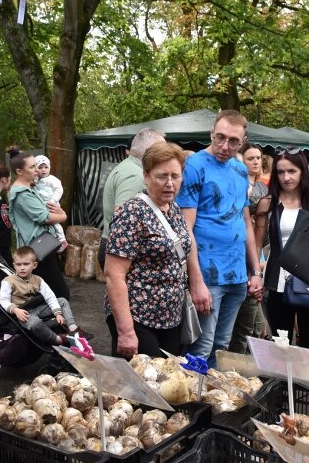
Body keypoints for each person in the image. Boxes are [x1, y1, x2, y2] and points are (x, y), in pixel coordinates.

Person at [176, 110, 262, 368]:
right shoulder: (194, 166)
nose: (225, 146)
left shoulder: (239, 169)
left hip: (237, 275)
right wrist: (196, 280)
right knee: (201, 346)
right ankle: (191, 403)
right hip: (207, 274)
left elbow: (245, 222)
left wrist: (255, 271)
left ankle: (212, 403)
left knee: (221, 345)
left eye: (233, 141)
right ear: (211, 133)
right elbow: (185, 228)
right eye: (220, 137)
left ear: (243, 140)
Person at [105, 142, 194, 357]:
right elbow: (113, 275)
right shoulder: (132, 212)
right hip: (138, 318)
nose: (170, 183)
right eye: (162, 176)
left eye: (176, 176)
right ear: (146, 176)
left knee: (168, 382)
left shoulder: (172, 209)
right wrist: (126, 332)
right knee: (142, 384)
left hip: (170, 318)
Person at [254, 148, 309, 349]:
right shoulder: (267, 203)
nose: (286, 177)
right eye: (281, 172)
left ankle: (304, 382)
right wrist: (255, 274)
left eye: (292, 171)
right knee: (280, 344)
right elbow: (257, 243)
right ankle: (282, 382)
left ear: (303, 171)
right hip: (276, 282)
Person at [7, 147, 70, 300]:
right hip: (38, 250)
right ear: (19, 171)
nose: (37, 170)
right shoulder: (22, 194)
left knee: (49, 295)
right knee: (59, 295)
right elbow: (45, 217)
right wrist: (62, 216)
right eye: (32, 166)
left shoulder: (29, 188)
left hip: (43, 247)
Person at [99, 129, 166, 270]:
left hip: (120, 251)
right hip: (124, 255)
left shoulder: (130, 167)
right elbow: (124, 220)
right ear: (149, 150)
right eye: (162, 150)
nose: (166, 155)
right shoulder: (135, 175)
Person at [228, 143, 270, 354]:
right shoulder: (240, 189)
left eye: (258, 158)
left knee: (254, 324)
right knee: (244, 325)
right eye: (250, 158)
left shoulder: (262, 187)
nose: (255, 162)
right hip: (240, 260)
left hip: (255, 255)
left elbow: (258, 230)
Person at [0, 246, 79, 346]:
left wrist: (57, 313)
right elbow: (3, 300)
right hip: (23, 313)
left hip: (38, 307)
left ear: (34, 265)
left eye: (26, 264)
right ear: (14, 265)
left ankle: (73, 329)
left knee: (62, 301)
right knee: (34, 323)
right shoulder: (8, 281)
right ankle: (57, 340)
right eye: (18, 264)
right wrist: (15, 310)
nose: (22, 267)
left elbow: (50, 296)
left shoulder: (38, 280)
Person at [34, 155, 68, 251]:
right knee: (47, 224)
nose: (43, 170)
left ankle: (62, 240)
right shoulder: (36, 180)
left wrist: (53, 200)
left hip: (51, 204)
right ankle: (51, 243)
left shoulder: (53, 180)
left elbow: (59, 190)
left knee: (55, 223)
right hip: (42, 205)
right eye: (40, 167)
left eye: (46, 167)